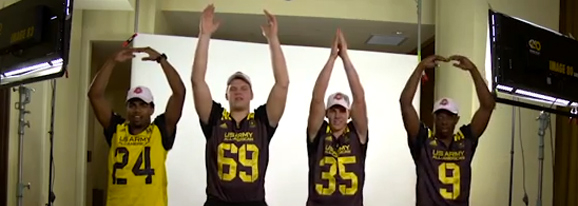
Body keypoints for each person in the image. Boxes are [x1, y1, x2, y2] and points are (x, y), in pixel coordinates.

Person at [191, 4, 289, 206]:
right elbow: (197, 81)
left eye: (243, 88)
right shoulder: (215, 118)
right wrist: (204, 35)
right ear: (225, 94)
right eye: (233, 88)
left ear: (252, 94)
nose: (238, 91)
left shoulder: (262, 121)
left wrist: (273, 39)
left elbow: (282, 83)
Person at [87, 47, 186, 206]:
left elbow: (179, 92)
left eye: (143, 105)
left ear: (151, 109)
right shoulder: (116, 129)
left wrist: (162, 60)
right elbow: (94, 95)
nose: (137, 110)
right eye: (132, 105)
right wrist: (112, 60)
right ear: (126, 108)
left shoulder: (159, 131)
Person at [400, 55, 496, 206]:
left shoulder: (465, 140)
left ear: (456, 119)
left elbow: (487, 106)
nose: (444, 121)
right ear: (434, 118)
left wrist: (473, 70)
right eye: (440, 116)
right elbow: (405, 103)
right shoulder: (424, 141)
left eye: (449, 116)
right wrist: (420, 68)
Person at [306, 29, 368, 206]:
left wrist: (346, 57)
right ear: (326, 113)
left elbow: (359, 98)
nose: (337, 115)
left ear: (349, 114)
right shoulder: (318, 134)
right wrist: (332, 58)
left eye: (342, 111)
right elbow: (317, 98)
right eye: (333, 110)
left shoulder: (358, 134)